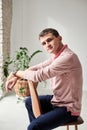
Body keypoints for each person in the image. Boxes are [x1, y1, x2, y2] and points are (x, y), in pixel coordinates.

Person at [6, 28, 83, 130]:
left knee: (33, 126)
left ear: (59, 38)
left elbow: (38, 75)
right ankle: (40, 125)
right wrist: (15, 76)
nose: (47, 45)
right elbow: (37, 67)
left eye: (49, 40)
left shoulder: (67, 57)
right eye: (43, 43)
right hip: (58, 100)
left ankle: (38, 126)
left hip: (68, 108)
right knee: (29, 101)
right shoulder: (57, 56)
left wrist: (16, 73)